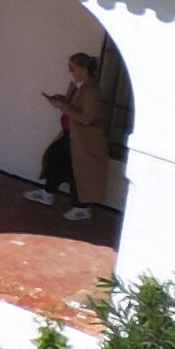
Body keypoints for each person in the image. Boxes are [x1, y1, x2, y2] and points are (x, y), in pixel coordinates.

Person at [42, 52, 115, 224]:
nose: (69, 71)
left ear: (83, 68)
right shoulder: (78, 86)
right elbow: (73, 106)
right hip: (71, 135)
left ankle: (81, 208)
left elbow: (87, 118)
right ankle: (47, 193)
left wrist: (63, 107)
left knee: (79, 171)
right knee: (56, 158)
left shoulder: (91, 90)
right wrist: (61, 101)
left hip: (83, 140)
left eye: (72, 67)